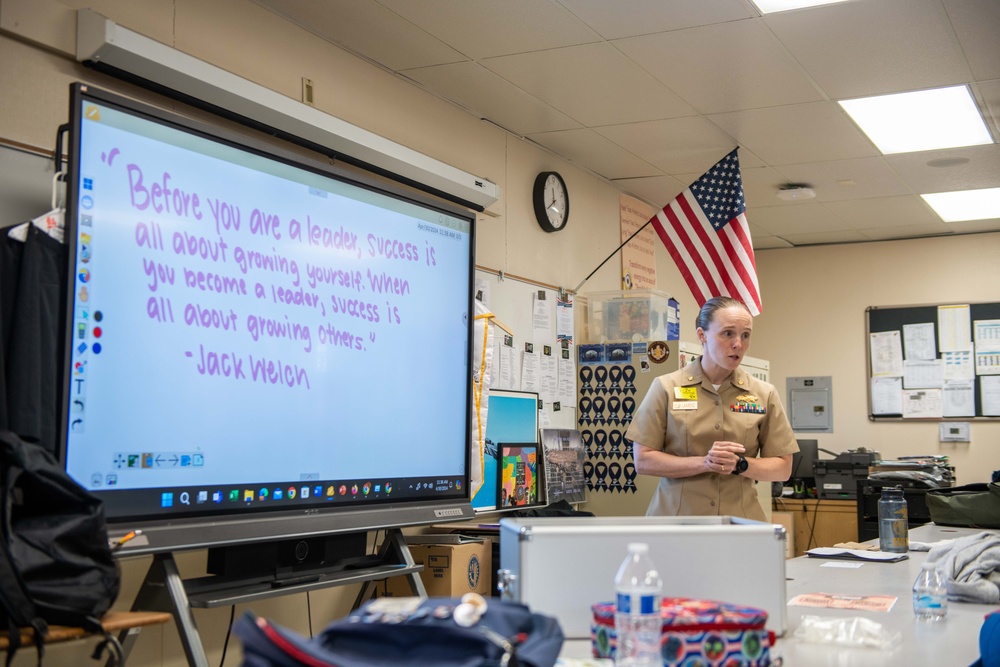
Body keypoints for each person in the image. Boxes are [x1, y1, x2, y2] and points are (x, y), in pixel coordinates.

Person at [624, 296, 798, 521]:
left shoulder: (763, 393)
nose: (738, 344)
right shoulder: (666, 387)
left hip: (739, 524)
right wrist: (705, 462)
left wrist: (740, 464)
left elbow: (783, 468)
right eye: (728, 333)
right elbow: (644, 460)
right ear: (701, 335)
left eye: (745, 335)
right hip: (676, 523)